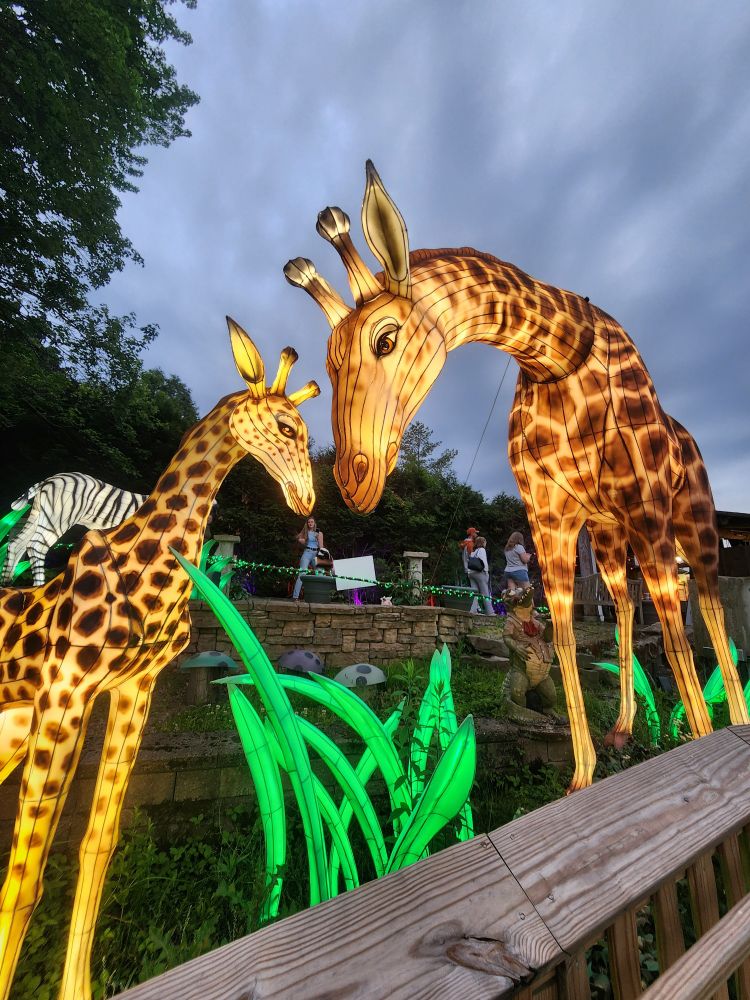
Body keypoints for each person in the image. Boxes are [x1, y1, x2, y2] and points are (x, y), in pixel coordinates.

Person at [293, 516, 324, 599]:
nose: (310, 523)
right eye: (309, 522)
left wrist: (322, 556)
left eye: (312, 522)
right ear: (307, 524)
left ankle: (318, 596)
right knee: (302, 573)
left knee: (320, 573)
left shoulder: (318, 533)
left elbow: (321, 547)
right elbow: (298, 538)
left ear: (314, 523)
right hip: (307, 553)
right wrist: (302, 540)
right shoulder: (305, 532)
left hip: (316, 554)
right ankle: (295, 596)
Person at [466, 535, 495, 615]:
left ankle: (473, 610)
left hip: (471, 573)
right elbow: (484, 562)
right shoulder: (482, 550)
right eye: (485, 542)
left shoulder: (473, 551)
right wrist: (486, 572)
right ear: (483, 542)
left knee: (474, 593)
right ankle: (490, 612)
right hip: (480, 573)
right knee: (485, 592)